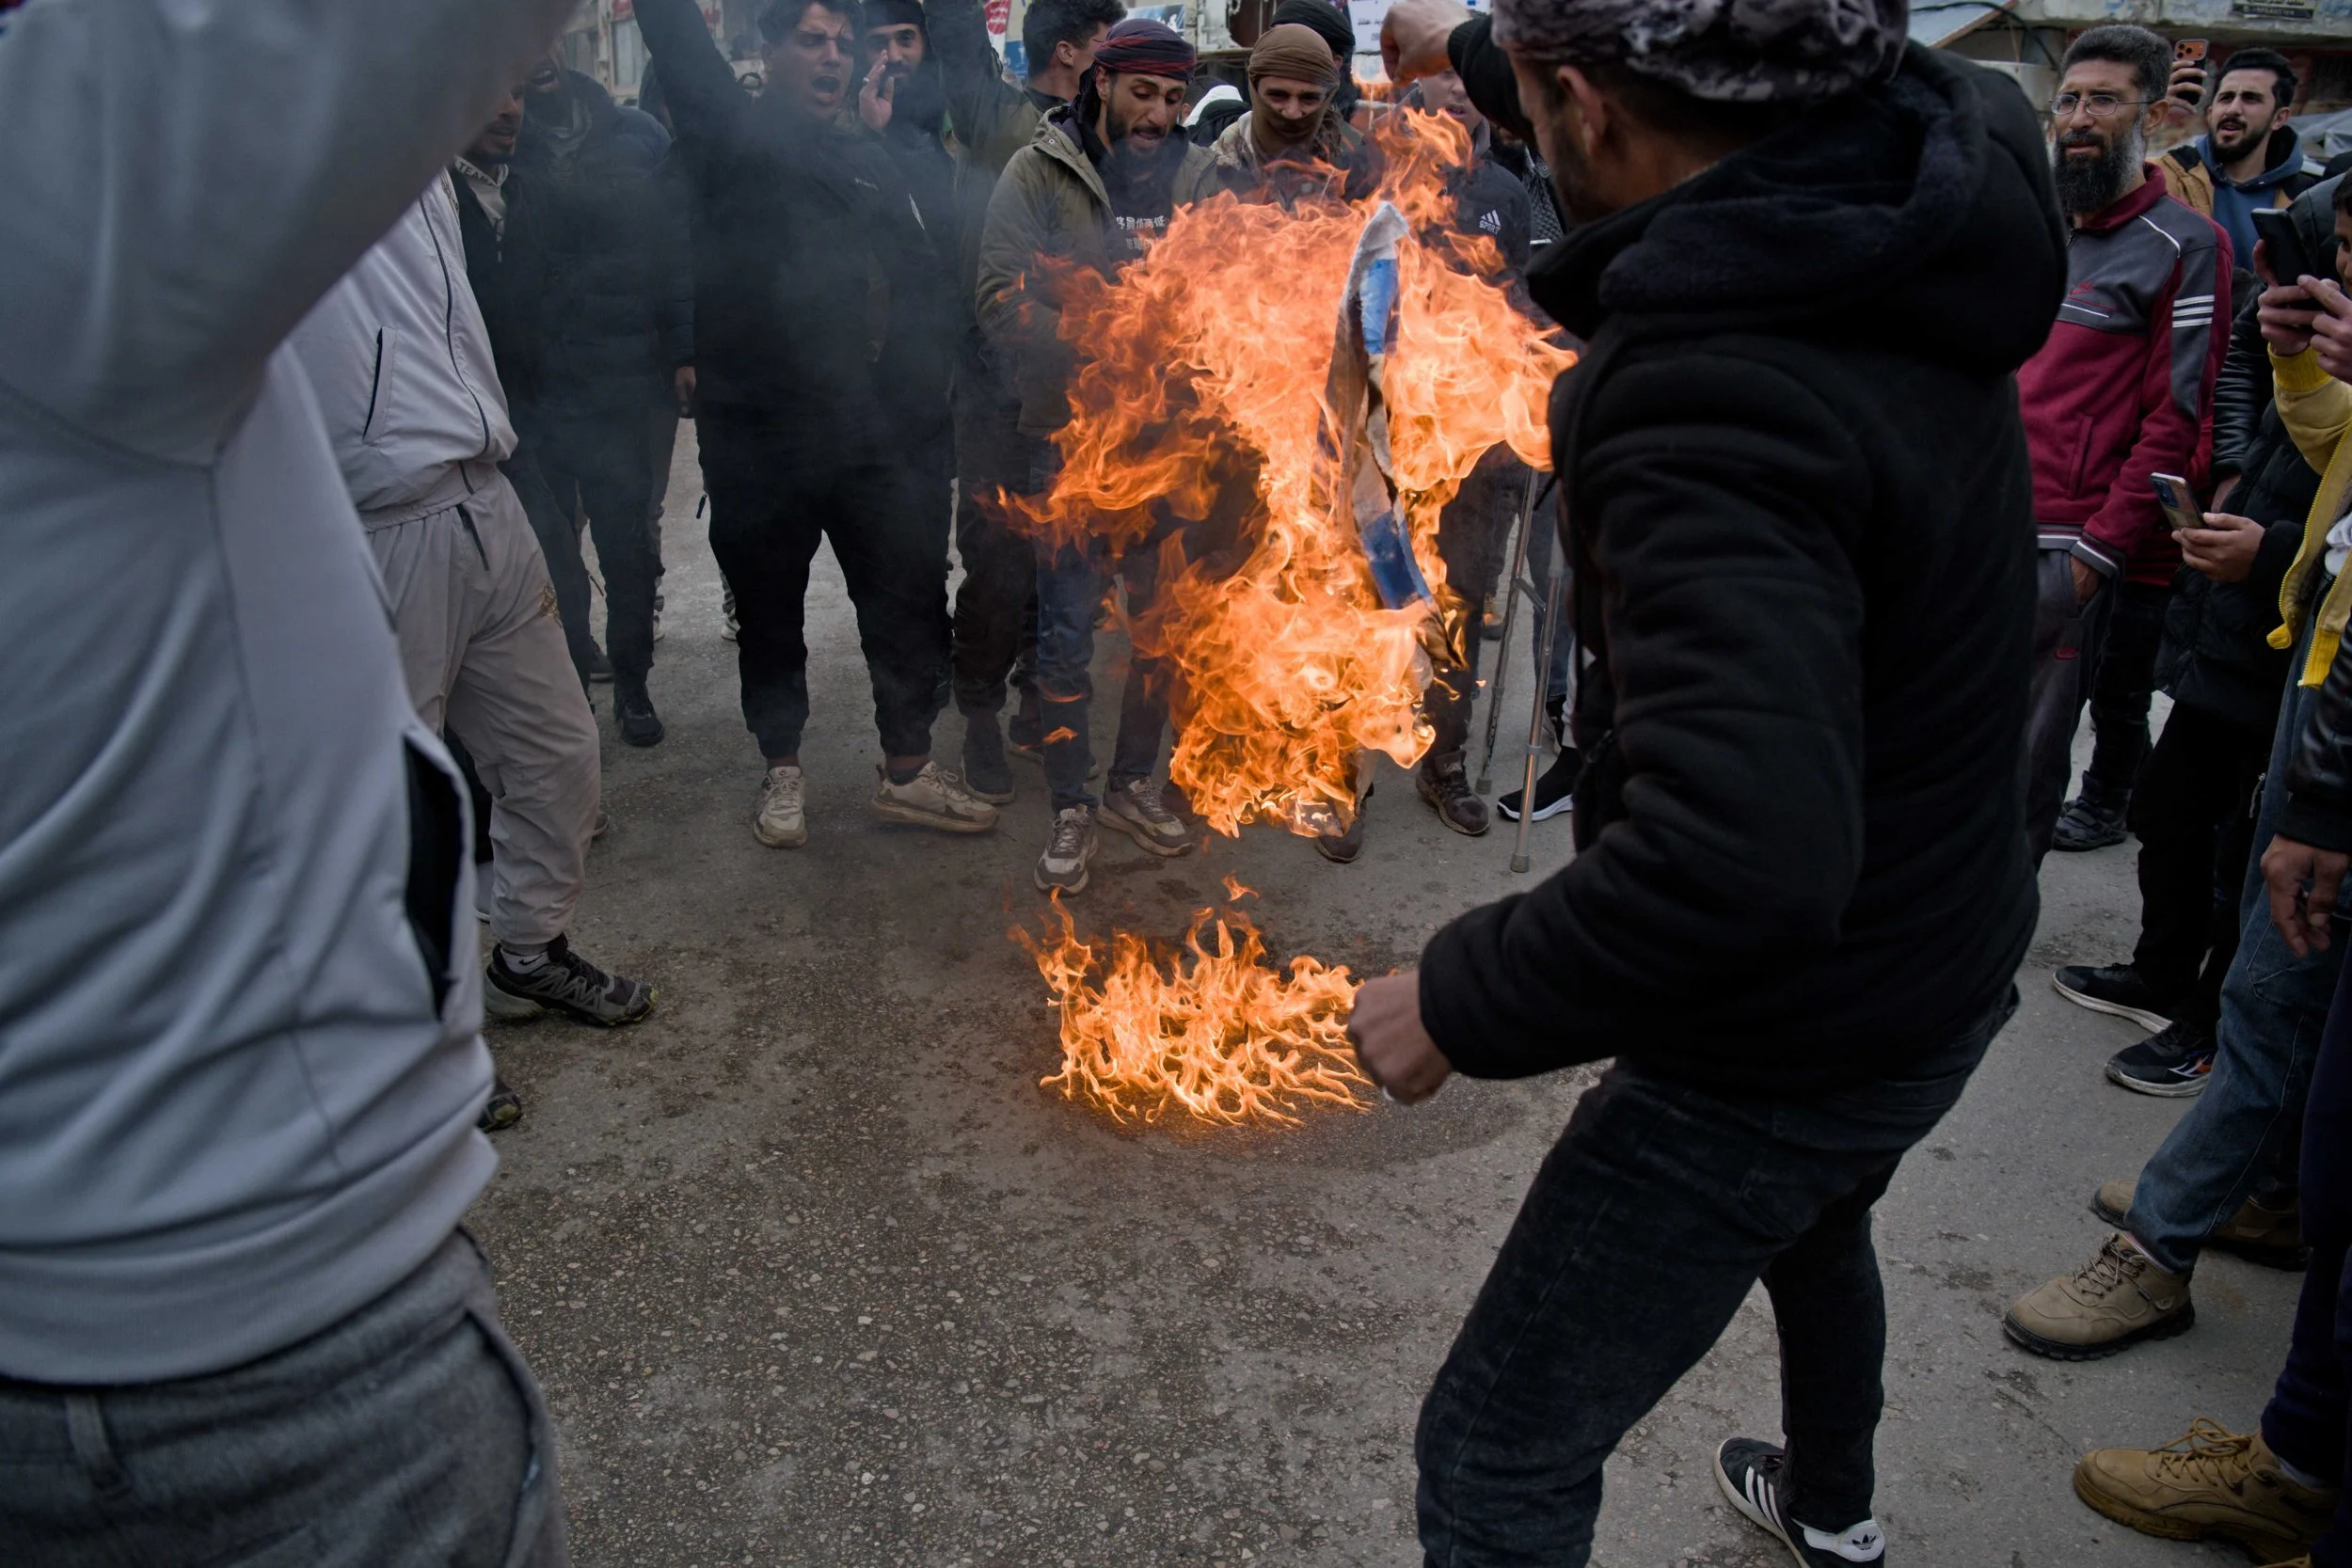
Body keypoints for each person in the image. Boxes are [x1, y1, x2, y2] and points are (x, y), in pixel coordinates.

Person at [1356, 5, 2060, 1568]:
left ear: (1593, 110)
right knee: (1818, 1220)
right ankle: (1835, 1504)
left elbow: (1736, 854)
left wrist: (1460, 996)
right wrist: (1478, 48)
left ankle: (1826, 1492)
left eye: (1535, 105)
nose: (1526, 131)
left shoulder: (1712, 385)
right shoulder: (1902, 200)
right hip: (1941, 945)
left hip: (1787, 1034)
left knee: (1499, 1444)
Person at [0, 0, 577, 1560]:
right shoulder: (70, 189)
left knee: (547, 760)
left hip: (110, 1288)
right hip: (237, 1368)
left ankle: (525, 948)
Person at [2006, 177, 2352, 1363]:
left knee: (2268, 980)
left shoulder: (2176, 245)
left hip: (2318, 717)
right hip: (2295, 670)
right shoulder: (2062, 242)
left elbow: (2174, 408)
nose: (2335, 288)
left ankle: (2161, 1251)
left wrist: (2325, 793)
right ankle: (2262, 1187)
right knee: (2259, 953)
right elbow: (2321, 447)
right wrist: (2307, 368)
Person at [289, 174, 658, 1032]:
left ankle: (527, 954)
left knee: (558, 754)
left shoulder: (434, 169)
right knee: (390, 800)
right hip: (375, 521)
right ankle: (409, 1030)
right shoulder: (296, 150)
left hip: (486, 494)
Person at [637, 0, 999, 848]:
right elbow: (677, 41)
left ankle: (908, 770)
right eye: (812, 41)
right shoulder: (731, 134)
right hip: (761, 435)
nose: (834, 58)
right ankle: (783, 769)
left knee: (904, 598)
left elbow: (917, 270)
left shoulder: (865, 148)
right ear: (767, 50)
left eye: (843, 43)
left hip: (866, 432)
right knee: (769, 609)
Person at [2065, 550, 2352, 1567]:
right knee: (2330, 1151)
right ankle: (2297, 1464)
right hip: (2315, 680)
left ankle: (2163, 1247)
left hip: (2319, 710)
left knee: (2272, 1004)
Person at [2051, 253, 2331, 1095]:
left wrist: (2272, 553)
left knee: (2253, 860)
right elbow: (2252, 372)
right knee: (2167, 807)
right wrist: (2240, 471)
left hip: (2300, 659)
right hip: (2234, 626)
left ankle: (2209, 1027)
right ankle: (2162, 973)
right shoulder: (2304, 341)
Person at [975, 18, 1218, 893]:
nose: (1158, 112)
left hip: (1171, 449)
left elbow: (1234, 300)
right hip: (1071, 445)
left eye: (1173, 95)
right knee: (1068, 638)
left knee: (1160, 636)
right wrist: (1104, 336)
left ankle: (1129, 787)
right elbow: (998, 299)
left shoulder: (1203, 175)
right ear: (1103, 84)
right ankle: (1072, 807)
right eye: (1142, 91)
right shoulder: (1039, 171)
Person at [2013, 25, 2231, 863]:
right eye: (2068, 99)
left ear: (2154, 117)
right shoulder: (2031, 224)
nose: (2078, 116)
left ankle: (1983, 966)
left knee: (2022, 775)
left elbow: (2176, 424)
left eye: (2103, 99)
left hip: (2062, 553)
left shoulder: (2185, 245)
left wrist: (2094, 556)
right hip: (1969, 535)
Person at [930, 0, 1124, 800]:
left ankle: (1034, 703)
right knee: (999, 562)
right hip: (994, 391)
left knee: (1066, 563)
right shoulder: (998, 115)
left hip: (1080, 395)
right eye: (1109, 47)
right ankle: (978, 711)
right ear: (1073, 52)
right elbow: (951, 31)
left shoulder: (1111, 137)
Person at [507, 49, 693, 748]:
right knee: (550, 555)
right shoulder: (492, 141)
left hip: (621, 380)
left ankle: (634, 683)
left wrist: (682, 349)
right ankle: (572, 694)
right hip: (534, 390)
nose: (540, 56)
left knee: (629, 546)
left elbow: (673, 251)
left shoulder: (635, 136)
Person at [2164, 47, 2328, 275]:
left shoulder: (2312, 194)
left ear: (2279, 118)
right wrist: (2145, 113)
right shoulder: (2167, 173)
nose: (2233, 109)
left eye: (2251, 99)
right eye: (2226, 98)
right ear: (2210, 112)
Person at [1209, 24, 1377, 208]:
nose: (1292, 112)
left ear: (1327, 99)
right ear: (1255, 91)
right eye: (1278, 96)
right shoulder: (1214, 170)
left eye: (1309, 98)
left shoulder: (1354, 166)